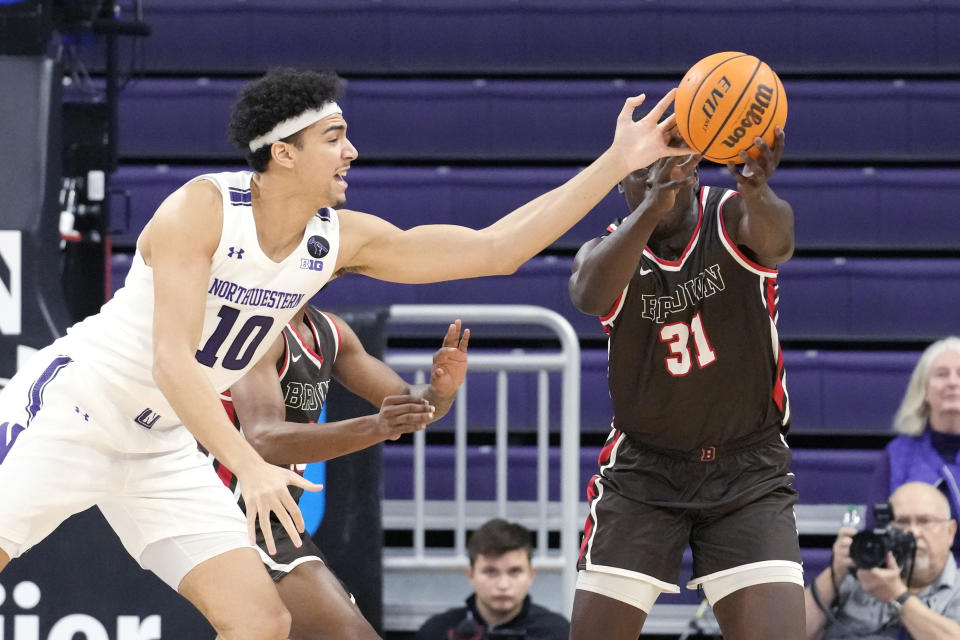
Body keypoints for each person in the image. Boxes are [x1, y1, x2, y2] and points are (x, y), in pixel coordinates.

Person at [0, 66, 690, 639]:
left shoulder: (337, 239)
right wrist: (246, 463)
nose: (352, 152)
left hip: (160, 444)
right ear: (284, 151)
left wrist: (618, 162)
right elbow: (172, 362)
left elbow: (497, 249)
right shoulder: (201, 208)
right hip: (78, 408)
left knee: (261, 621)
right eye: (335, 138)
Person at [567, 127, 802, 640]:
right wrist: (653, 205)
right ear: (621, 185)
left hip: (749, 471)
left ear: (694, 170)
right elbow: (587, 294)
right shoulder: (609, 250)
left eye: (672, 166)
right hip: (644, 475)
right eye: (643, 173)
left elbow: (779, 242)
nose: (661, 179)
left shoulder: (734, 215)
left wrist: (757, 190)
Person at [215, 306, 468, 639]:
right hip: (231, 509)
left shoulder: (331, 331)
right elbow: (264, 439)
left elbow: (409, 402)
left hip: (273, 516)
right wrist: (375, 426)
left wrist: (440, 392)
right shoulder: (259, 331)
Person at [804, 481, 960, 639]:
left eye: (925, 521)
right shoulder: (862, 574)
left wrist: (898, 597)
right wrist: (834, 574)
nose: (913, 531)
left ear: (950, 532)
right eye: (902, 522)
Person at [867, 336, 960, 559]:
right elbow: (874, 529)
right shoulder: (897, 454)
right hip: (910, 577)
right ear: (924, 391)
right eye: (941, 374)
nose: (952, 382)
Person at [414, 518, 570, 640]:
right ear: (471, 575)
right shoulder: (437, 631)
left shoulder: (559, 633)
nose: (503, 585)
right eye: (490, 572)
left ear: (531, 574)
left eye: (514, 572)